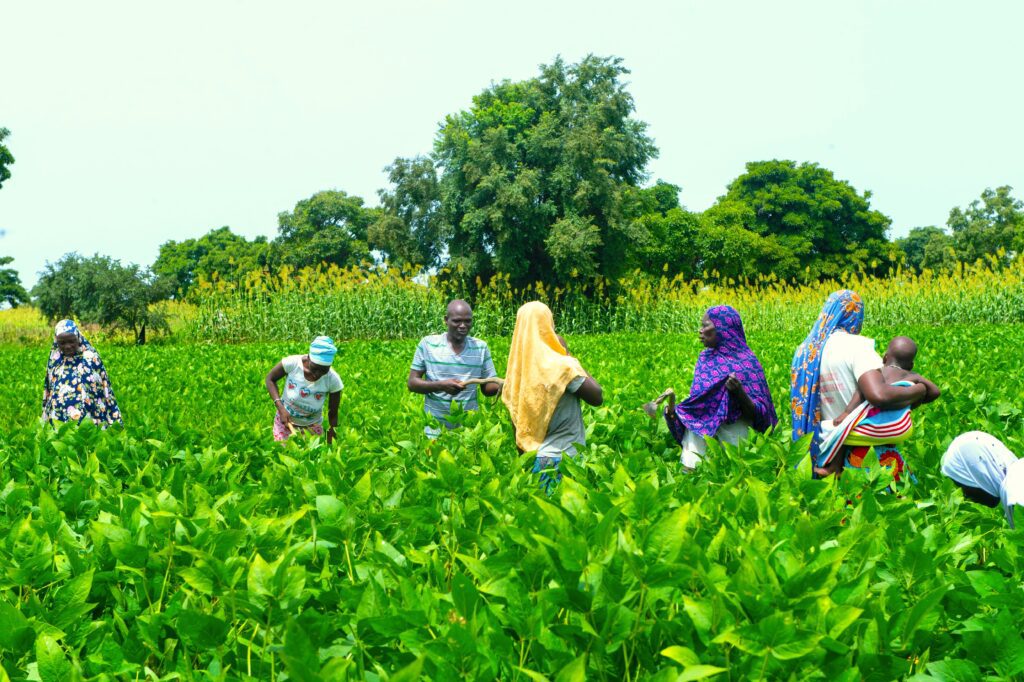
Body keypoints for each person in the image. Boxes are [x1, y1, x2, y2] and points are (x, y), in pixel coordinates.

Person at [790, 290, 927, 478]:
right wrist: (919, 390)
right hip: (863, 456)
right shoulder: (856, 346)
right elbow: (878, 394)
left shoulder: (805, 352)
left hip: (820, 452)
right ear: (855, 317)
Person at [647, 306, 777, 471]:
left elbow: (761, 415)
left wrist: (739, 393)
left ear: (723, 329)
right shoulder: (705, 359)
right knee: (692, 467)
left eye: (706, 326)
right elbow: (698, 407)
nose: (700, 331)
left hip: (735, 439)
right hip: (702, 437)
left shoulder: (747, 362)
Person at [501, 301, 603, 491]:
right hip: (564, 459)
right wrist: (567, 355)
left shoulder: (517, 373)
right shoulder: (560, 366)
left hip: (535, 460)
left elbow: (518, 423)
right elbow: (596, 396)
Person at [815, 336, 941, 479]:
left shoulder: (878, 372)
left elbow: (860, 392)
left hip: (869, 427)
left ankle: (834, 468)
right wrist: (915, 393)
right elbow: (935, 392)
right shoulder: (912, 375)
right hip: (896, 428)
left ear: (885, 357)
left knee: (839, 432)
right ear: (911, 365)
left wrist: (846, 413)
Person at [407, 300, 500, 438]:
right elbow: (412, 383)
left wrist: (506, 385)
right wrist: (441, 386)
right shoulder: (428, 344)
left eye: (468, 321)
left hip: (469, 431)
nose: (463, 326)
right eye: (457, 321)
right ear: (446, 320)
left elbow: (487, 389)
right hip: (435, 429)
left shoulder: (480, 347)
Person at [42, 319, 123, 427]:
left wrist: (113, 416)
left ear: (78, 338)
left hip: (90, 417)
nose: (67, 346)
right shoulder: (55, 361)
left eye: (71, 341)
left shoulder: (90, 357)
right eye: (62, 343)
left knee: (88, 441)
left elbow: (105, 386)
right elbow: (48, 390)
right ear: (57, 342)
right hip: (60, 420)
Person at [265, 335, 342, 444]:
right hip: (286, 423)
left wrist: (331, 434)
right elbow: (270, 379)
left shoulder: (333, 379)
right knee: (284, 453)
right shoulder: (292, 363)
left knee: (312, 457)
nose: (318, 375)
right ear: (309, 357)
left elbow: (333, 412)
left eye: (324, 370)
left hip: (313, 426)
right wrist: (280, 408)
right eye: (315, 369)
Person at [941, 431, 1024, 528]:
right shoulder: (1017, 477)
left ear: (979, 471)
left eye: (965, 485)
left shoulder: (1017, 495)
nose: (965, 495)